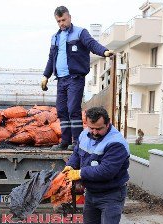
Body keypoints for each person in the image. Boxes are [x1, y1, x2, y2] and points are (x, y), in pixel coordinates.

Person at [64, 106, 129, 224]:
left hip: (111, 194)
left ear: (107, 123)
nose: (94, 132)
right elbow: (77, 153)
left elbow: (106, 171)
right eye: (91, 128)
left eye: (99, 129)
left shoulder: (116, 143)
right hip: (92, 193)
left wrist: (80, 173)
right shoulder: (85, 134)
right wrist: (70, 166)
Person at [42, 6, 113, 150]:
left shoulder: (80, 33)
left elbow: (91, 44)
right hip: (61, 79)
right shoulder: (55, 38)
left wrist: (104, 51)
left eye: (63, 19)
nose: (61, 23)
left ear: (69, 17)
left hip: (75, 78)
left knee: (73, 109)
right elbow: (51, 58)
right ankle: (65, 142)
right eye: (58, 21)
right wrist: (45, 75)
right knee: (61, 110)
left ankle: (77, 142)